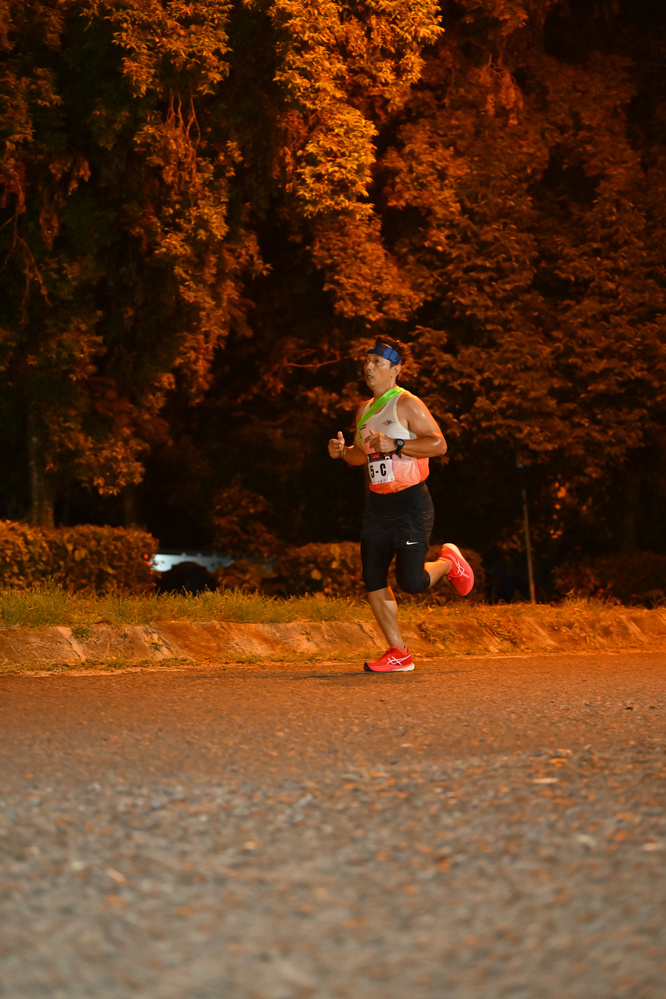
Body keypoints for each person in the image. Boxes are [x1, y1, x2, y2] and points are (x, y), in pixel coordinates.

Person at [328, 336, 474, 672]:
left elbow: (438, 444)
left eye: (377, 362)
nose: (368, 367)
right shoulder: (364, 409)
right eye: (367, 361)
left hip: (411, 502)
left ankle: (449, 563)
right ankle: (398, 652)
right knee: (372, 576)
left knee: (411, 582)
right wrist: (342, 453)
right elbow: (360, 454)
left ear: (395, 369)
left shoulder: (407, 404)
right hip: (378, 505)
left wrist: (396, 444)